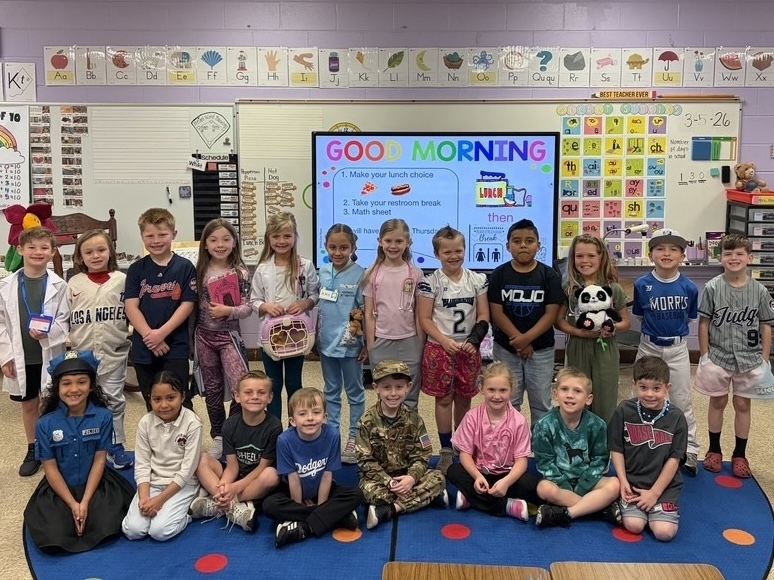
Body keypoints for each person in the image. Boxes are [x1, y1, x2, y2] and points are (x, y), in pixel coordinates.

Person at [24, 350, 134, 553]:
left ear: (91, 386)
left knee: (108, 525)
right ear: (57, 388)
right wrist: (74, 505)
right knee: (53, 534)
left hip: (94, 482)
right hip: (60, 486)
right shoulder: (45, 423)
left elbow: (100, 461)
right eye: (66, 383)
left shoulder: (103, 417)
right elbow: (50, 468)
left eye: (81, 382)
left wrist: (84, 501)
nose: (74, 389)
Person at [694, 234, 774, 479]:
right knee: (717, 402)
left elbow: (766, 325)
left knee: (742, 404)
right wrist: (705, 354)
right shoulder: (713, 287)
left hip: (749, 357)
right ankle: (714, 449)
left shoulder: (759, 290)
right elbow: (704, 322)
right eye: (728, 253)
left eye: (740, 253)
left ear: (750, 258)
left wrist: (764, 356)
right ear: (721, 258)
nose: (734, 258)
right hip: (718, 355)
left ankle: (740, 454)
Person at [417, 226, 489, 474]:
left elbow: (483, 315)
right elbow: (425, 318)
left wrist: (474, 340)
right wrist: (443, 340)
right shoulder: (430, 283)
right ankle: (446, 449)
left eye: (458, 250)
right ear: (437, 254)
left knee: (465, 397)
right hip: (440, 347)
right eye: (447, 252)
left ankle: (463, 444)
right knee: (444, 398)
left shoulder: (477, 280)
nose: (453, 256)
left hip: (468, 347)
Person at [0, 226, 69, 476]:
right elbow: (0, 323)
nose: (37, 252)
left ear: (52, 252)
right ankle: (33, 447)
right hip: (22, 356)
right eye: (31, 247)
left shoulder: (60, 285)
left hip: (50, 352)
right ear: (20, 250)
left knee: (54, 402)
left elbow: (65, 319)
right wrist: (5, 356)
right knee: (29, 404)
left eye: (44, 248)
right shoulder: (6, 285)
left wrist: (49, 332)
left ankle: (57, 446)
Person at [632, 228, 700, 475]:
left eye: (673, 249)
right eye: (660, 248)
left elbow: (690, 318)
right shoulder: (642, 284)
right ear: (651, 255)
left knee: (681, 398)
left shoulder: (689, 287)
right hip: (649, 345)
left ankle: (689, 449)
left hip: (677, 347)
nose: (667, 253)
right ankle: (641, 444)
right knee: (643, 395)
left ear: (682, 255)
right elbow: (640, 316)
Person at [262, 387, 364, 547]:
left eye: (316, 412)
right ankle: (336, 517)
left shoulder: (332, 435)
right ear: (292, 420)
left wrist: (321, 505)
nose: (310, 418)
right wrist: (299, 505)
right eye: (302, 414)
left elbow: (326, 475)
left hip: (324, 489)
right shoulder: (284, 440)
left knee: (357, 494)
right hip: (293, 491)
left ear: (324, 417)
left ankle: (304, 527)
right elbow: (293, 478)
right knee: (269, 505)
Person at [67, 229, 132, 470]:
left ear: (110, 251)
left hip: (114, 350)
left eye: (101, 250)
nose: (95, 256)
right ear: (80, 257)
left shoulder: (122, 280)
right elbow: (64, 317)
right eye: (89, 252)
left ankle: (116, 445)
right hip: (82, 354)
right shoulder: (73, 283)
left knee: (114, 399)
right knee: (83, 399)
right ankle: (87, 445)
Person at [356, 360, 447, 531]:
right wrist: (388, 482)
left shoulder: (414, 419)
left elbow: (423, 454)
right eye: (387, 387)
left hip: (407, 476)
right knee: (365, 492)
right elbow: (364, 460)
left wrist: (412, 478)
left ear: (408, 387)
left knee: (438, 478)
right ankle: (426, 498)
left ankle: (391, 509)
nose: (393, 393)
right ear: (376, 387)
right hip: (379, 480)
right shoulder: (366, 422)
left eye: (399, 387)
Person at [488, 219, 563, 424]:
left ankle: (541, 449)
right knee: (507, 400)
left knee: (541, 402)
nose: (523, 245)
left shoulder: (549, 275)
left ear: (538, 246)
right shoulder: (499, 274)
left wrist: (526, 340)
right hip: (506, 347)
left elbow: (551, 314)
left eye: (529, 241)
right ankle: (509, 446)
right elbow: (497, 312)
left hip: (541, 350)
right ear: (507, 245)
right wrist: (518, 340)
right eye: (517, 241)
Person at [445, 362, 539, 522]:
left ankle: (472, 498)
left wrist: (506, 482)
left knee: (531, 482)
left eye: (503, 390)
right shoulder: (472, 417)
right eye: (491, 390)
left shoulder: (519, 421)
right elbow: (465, 454)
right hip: (479, 473)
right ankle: (507, 506)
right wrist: (476, 477)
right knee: (453, 471)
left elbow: (522, 461)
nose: (497, 396)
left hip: (506, 475)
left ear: (512, 390)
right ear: (481, 388)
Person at [124, 208, 197, 411]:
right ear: (142, 237)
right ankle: (156, 443)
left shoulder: (185, 267)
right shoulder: (136, 269)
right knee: (152, 399)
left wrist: (161, 334)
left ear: (174, 234)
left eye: (162, 234)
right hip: (144, 346)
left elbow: (187, 304)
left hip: (175, 346)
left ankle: (184, 442)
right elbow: (131, 307)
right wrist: (150, 336)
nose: (156, 240)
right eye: (150, 236)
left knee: (180, 397)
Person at [190, 371, 282, 532]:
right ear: (237, 396)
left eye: (261, 393)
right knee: (201, 458)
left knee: (271, 476)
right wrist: (225, 486)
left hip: (257, 480)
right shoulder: (230, 425)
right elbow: (232, 466)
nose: (255, 397)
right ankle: (227, 503)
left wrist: (235, 489)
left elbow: (262, 468)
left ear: (270, 397)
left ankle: (222, 503)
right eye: (248, 392)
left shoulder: (274, 426)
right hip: (235, 474)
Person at [608, 357, 687, 542]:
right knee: (634, 526)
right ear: (634, 385)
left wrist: (655, 494)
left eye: (656, 388)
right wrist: (623, 481)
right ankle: (620, 505)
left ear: (668, 387)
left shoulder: (677, 417)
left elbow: (674, 459)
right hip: (633, 482)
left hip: (664, 486)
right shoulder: (624, 410)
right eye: (643, 387)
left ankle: (657, 507)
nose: (649, 394)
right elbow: (616, 448)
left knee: (664, 533)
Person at [532, 367, 621, 528]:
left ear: (588, 399)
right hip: (559, 483)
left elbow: (600, 460)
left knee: (614, 484)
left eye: (577, 391)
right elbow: (545, 463)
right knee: (543, 489)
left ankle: (566, 513)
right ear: (555, 394)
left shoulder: (598, 425)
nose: (570, 395)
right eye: (564, 389)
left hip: (587, 480)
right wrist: (565, 485)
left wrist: (583, 485)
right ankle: (597, 509)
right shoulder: (544, 425)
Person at [250, 212, 319, 419]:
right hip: (270, 338)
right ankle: (274, 430)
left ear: (295, 236)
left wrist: (305, 302)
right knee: (273, 383)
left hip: (297, 335)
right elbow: (254, 301)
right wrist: (266, 306)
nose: (281, 241)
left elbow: (315, 294)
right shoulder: (263, 269)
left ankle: (295, 426)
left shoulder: (305, 266)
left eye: (287, 236)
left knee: (293, 383)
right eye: (276, 236)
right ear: (268, 238)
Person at [555, 234, 630, 423]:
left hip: (606, 348)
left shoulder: (613, 288)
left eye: (591, 256)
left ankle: (603, 446)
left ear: (601, 257)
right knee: (576, 395)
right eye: (579, 256)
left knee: (605, 396)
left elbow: (625, 322)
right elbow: (559, 321)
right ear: (572, 259)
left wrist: (612, 328)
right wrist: (578, 332)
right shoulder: (569, 288)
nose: (585, 261)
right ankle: (577, 441)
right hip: (577, 347)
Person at [193, 218, 252, 459]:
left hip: (229, 336)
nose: (220, 244)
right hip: (204, 336)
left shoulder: (240, 272)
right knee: (213, 389)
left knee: (240, 386)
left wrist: (229, 311)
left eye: (226, 239)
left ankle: (235, 433)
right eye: (214, 239)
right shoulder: (198, 271)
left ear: (234, 242)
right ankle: (218, 434)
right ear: (205, 244)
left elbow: (248, 308)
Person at [122, 371, 202, 542]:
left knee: (160, 532)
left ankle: (190, 511)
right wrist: (145, 498)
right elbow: (142, 464)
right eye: (157, 399)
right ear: (149, 399)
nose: (164, 405)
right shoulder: (145, 422)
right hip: (153, 483)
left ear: (182, 397)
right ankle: (155, 505)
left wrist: (159, 500)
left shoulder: (192, 423)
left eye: (171, 398)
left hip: (182, 485)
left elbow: (188, 469)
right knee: (132, 531)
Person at [362, 219, 425, 408]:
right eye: (388, 241)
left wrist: (419, 343)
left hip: (409, 341)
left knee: (409, 395)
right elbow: (369, 314)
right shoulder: (371, 274)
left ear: (408, 243)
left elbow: (419, 313)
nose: (393, 246)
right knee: (385, 394)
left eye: (399, 241)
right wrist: (371, 346)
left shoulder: (416, 273)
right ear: (380, 241)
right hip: (381, 341)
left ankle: (408, 436)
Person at [317, 224, 367, 464]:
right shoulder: (323, 272)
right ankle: (333, 435)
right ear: (325, 246)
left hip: (350, 345)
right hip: (326, 344)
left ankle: (354, 437)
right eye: (332, 247)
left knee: (355, 392)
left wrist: (365, 343)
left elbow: (366, 311)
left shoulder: (360, 274)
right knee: (331, 391)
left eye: (344, 247)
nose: (338, 252)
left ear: (353, 247)